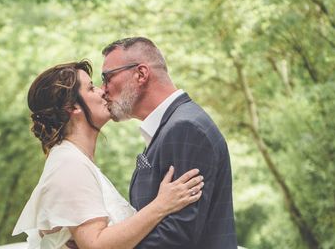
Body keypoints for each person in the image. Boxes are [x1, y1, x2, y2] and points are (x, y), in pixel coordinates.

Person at [12, 60, 205, 249]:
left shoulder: (76, 161)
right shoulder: (69, 164)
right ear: (72, 107)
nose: (102, 91)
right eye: (91, 88)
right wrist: (161, 205)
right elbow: (96, 245)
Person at [101, 37, 238, 248]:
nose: (103, 89)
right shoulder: (171, 127)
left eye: (107, 77)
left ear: (141, 74)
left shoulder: (186, 128)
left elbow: (177, 235)